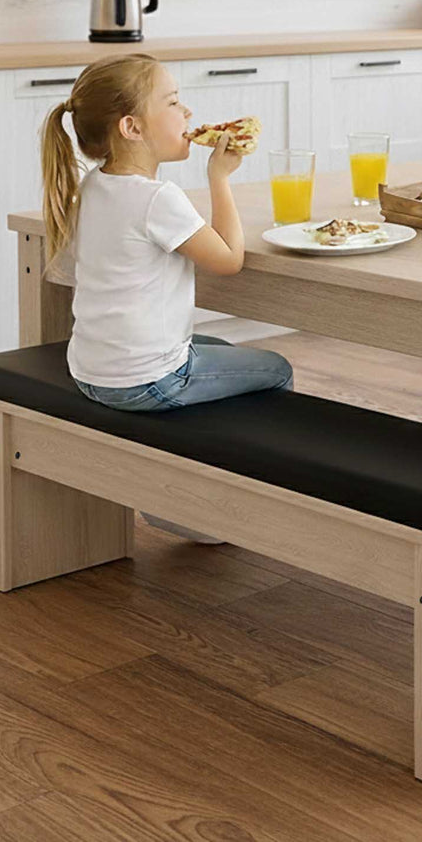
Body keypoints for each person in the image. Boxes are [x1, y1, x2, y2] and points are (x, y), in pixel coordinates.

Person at [40, 53, 292, 542]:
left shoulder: (93, 186)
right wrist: (220, 176)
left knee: (225, 354)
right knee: (276, 370)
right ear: (132, 127)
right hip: (148, 379)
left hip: (91, 370)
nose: (189, 114)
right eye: (174, 102)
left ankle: (184, 490)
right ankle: (198, 510)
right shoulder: (158, 198)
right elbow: (228, 260)